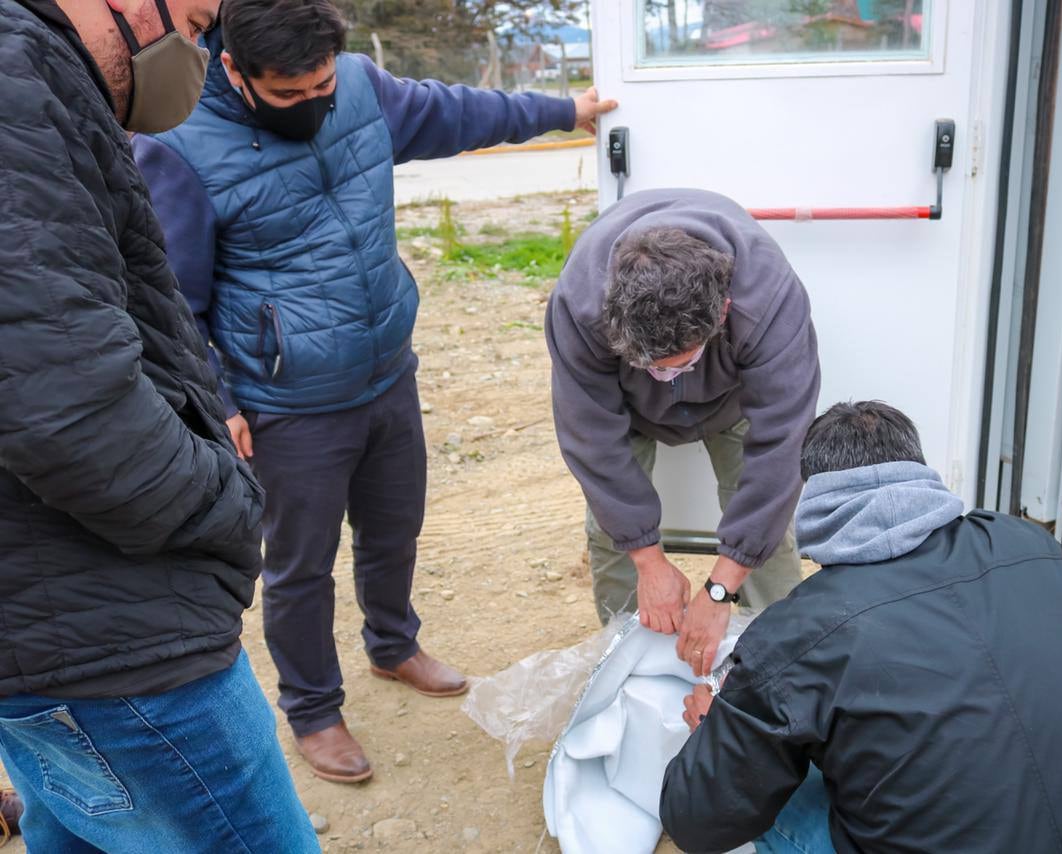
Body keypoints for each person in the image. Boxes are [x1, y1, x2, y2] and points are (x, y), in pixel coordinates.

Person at [132, 0, 618, 784]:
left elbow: (455, 112)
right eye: (288, 95)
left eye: (321, 85)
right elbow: (171, 299)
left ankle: (393, 646)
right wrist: (217, 402)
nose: (313, 104)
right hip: (286, 403)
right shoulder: (181, 146)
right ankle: (313, 708)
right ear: (234, 69)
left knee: (395, 529)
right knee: (300, 564)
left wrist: (565, 109)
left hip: (387, 369)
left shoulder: (357, 86)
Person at [0, 1, 317, 851]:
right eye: (198, 18)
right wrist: (225, 507)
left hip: (40, 632)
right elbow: (64, 408)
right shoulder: (15, 84)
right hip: (116, 641)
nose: (202, 50)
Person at [659, 401, 1062, 853]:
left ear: (817, 502)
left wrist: (720, 729)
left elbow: (699, 823)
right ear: (921, 474)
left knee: (775, 796)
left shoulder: (797, 633)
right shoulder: (1031, 549)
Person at [546, 188, 821, 677]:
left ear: (722, 312)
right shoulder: (579, 302)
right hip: (626, 408)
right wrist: (648, 560)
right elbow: (590, 437)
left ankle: (784, 668)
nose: (668, 376)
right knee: (611, 534)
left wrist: (721, 587)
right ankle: (623, 670)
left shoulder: (769, 298)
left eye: (681, 363)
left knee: (769, 528)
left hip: (731, 400)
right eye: (652, 365)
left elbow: (782, 445)